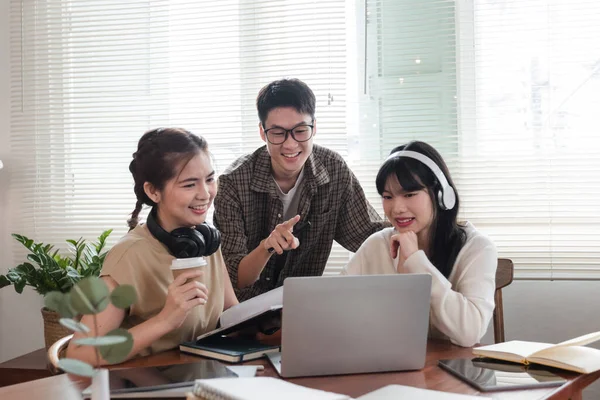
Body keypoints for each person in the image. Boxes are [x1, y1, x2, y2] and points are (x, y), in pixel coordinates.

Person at [67, 128, 238, 364]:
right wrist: (165, 320)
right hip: (144, 383)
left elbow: (233, 316)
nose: (205, 193)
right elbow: (80, 353)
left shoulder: (204, 241)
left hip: (200, 377)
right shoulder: (129, 255)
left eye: (209, 179)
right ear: (153, 191)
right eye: (189, 185)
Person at [214, 78, 387, 301]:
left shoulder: (333, 169)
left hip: (303, 306)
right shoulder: (232, 183)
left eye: (300, 130)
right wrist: (266, 246)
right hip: (244, 314)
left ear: (314, 127)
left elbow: (367, 235)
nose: (290, 144)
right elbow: (234, 277)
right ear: (262, 132)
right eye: (277, 133)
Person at [341, 141, 497, 347]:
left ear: (441, 195)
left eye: (409, 194)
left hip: (451, 369)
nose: (396, 208)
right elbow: (338, 310)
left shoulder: (477, 248)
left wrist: (417, 262)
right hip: (386, 363)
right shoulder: (377, 244)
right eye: (388, 197)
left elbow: (470, 332)